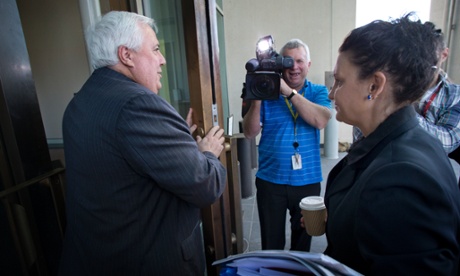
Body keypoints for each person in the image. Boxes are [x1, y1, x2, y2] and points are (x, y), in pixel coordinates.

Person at [59, 11, 227, 275]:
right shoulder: (139, 104)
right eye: (156, 49)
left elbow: (124, 160)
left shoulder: (80, 102)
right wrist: (206, 153)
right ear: (126, 55)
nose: (163, 60)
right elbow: (206, 185)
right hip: (147, 262)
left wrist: (175, 139)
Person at [325, 13, 460, 275]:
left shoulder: (399, 180)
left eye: (339, 81)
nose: (332, 93)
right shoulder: (400, 140)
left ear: (374, 85)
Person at [243, 38, 332, 251]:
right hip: (270, 180)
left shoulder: (318, 92)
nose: (294, 67)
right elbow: (249, 132)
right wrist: (257, 95)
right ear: (281, 64)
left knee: (303, 243)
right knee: (271, 243)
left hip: (307, 180)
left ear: (308, 65)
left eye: (300, 61)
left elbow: (320, 120)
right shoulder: (265, 90)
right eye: (289, 61)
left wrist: (288, 93)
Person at [353, 23, 460, 185]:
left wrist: (400, 110)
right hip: (380, 173)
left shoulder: (453, 95)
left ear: (443, 55)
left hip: (425, 177)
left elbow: (447, 142)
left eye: (430, 57)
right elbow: (362, 135)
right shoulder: (390, 84)